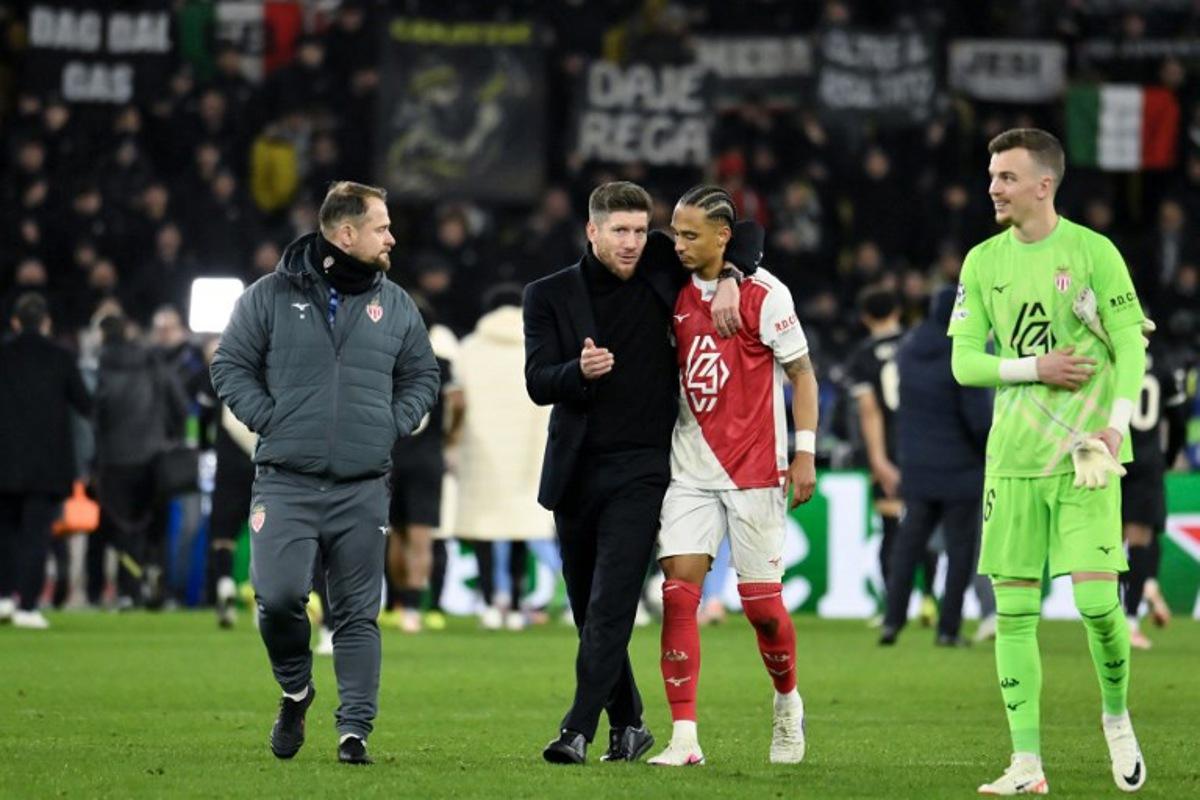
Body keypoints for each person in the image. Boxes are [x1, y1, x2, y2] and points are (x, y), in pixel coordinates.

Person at [524, 181, 761, 765]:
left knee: (612, 604)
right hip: (576, 471)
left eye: (639, 230)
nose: (633, 243)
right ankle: (629, 723)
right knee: (588, 611)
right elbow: (536, 381)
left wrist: (731, 275)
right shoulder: (548, 295)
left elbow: (744, 230)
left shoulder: (662, 260)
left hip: (645, 468)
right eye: (620, 231)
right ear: (593, 231)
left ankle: (576, 729)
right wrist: (576, 372)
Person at [210, 181, 439, 766]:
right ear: (345, 234)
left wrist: (391, 422)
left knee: (358, 613)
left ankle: (354, 730)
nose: (392, 237)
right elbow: (230, 363)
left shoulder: (398, 304)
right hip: (285, 479)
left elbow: (423, 376)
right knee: (280, 597)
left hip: (363, 483)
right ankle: (295, 690)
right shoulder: (268, 296)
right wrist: (270, 419)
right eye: (381, 227)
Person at [948, 128, 1148, 794]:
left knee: (1096, 604)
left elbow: (1132, 347)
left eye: (1006, 176)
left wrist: (1116, 429)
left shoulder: (1094, 253)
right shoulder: (981, 262)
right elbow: (964, 361)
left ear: (1044, 184)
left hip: (1085, 455)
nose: (993, 187)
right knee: (1013, 615)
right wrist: (1038, 367)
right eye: (991, 174)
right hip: (1011, 461)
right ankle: (1026, 763)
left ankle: (1116, 716)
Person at [645, 185, 817, 767]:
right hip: (690, 469)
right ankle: (685, 738)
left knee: (763, 609)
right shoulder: (670, 285)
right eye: (675, 232)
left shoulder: (765, 294)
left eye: (691, 235)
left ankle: (788, 703)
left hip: (755, 471)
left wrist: (806, 453)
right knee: (677, 596)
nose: (678, 245)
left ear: (724, 237)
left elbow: (804, 375)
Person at [879, 285, 993, 648]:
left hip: (917, 466)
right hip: (960, 469)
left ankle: (891, 621)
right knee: (960, 553)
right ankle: (948, 629)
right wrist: (988, 449)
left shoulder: (909, 350)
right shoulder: (960, 351)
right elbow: (976, 417)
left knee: (908, 546)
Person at [453, 287, 551, 631]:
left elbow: (457, 403)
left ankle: (491, 600)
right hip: (526, 454)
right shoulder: (537, 343)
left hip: (481, 453)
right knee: (520, 528)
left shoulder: (469, 349)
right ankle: (520, 600)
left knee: (484, 529)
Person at [845, 286, 938, 627]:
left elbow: (870, 413)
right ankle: (929, 597)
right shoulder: (919, 345)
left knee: (891, 529)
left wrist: (878, 459)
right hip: (926, 448)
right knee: (925, 526)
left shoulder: (862, 356)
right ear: (897, 313)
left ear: (866, 317)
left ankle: (892, 607)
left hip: (891, 450)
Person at [0, 294, 91, 629]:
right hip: (46, 464)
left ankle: (3, 598)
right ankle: (26, 606)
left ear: (15, 321)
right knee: (35, 536)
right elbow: (85, 403)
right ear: (46, 322)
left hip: (4, 460)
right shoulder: (62, 357)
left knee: (5, 532)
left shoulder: (4, 354)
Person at [93, 311, 189, 610]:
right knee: (154, 524)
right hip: (154, 456)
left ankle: (128, 590)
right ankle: (154, 581)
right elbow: (180, 406)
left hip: (114, 460)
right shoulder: (153, 362)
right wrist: (170, 436)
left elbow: (95, 415)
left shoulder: (101, 367)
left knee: (123, 527)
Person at [1119, 342, 1188, 649]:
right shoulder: (1164, 370)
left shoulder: (1115, 361)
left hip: (1115, 457)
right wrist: (1169, 457)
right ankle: (1131, 621)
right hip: (1147, 463)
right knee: (1140, 542)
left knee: (1111, 545)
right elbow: (1178, 422)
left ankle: (1110, 618)